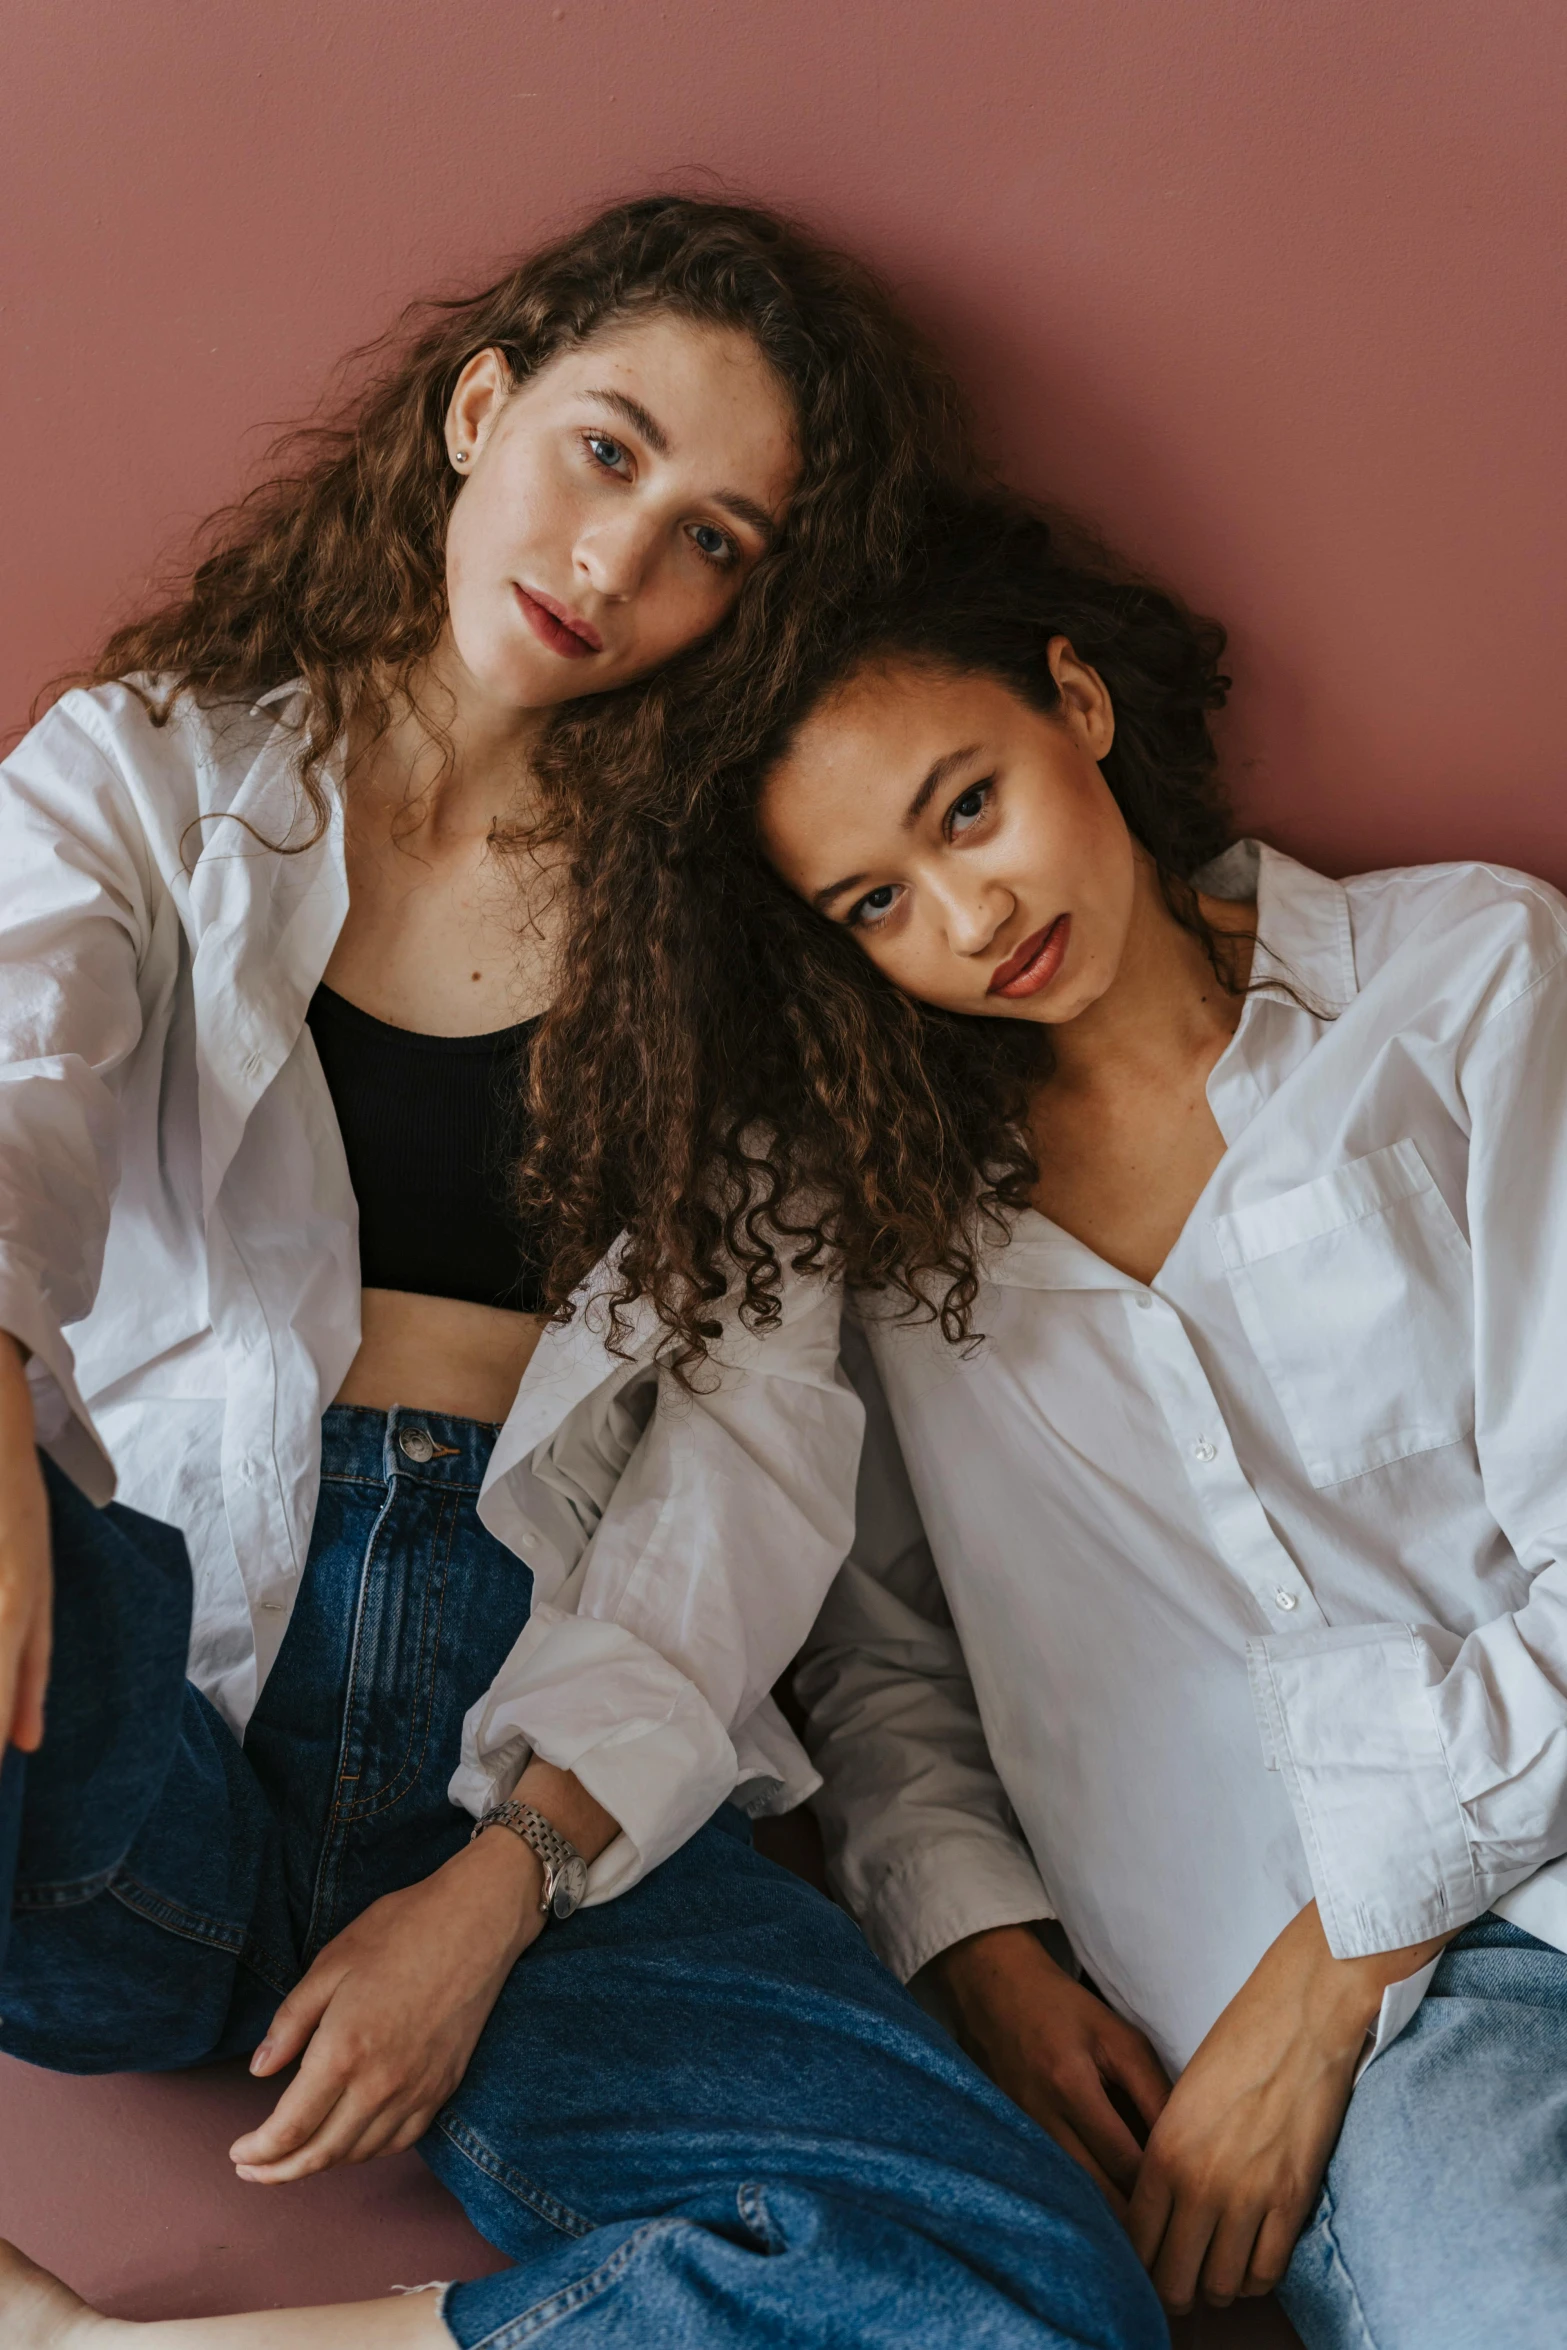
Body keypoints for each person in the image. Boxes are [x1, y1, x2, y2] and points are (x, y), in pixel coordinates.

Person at [0, 219, 1163, 2349]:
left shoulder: (734, 944)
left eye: (713, 534)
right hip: (136, 1695)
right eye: (604, 451)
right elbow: (17, 1059)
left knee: (1023, 2288)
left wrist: (501, 1878)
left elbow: (753, 1460)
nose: (623, 557)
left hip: (533, 1739)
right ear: (477, 405)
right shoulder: (155, 775)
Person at [521, 494, 1567, 2348]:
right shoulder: (879, 1232)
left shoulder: (1462, 984)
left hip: (1364, 1976)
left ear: (1072, 702)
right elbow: (885, 1666)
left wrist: (1323, 1978)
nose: (969, 913)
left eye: (966, 807)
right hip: (1369, 2048)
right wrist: (980, 1945)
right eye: (875, 902)